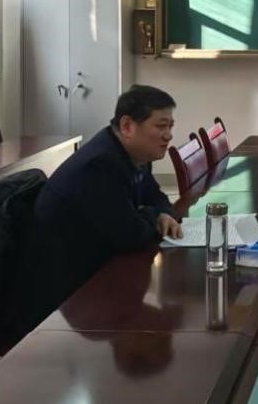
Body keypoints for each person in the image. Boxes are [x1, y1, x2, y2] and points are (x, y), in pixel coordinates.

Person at [13, 85, 184, 338]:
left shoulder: (133, 154)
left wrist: (161, 213)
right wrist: (154, 216)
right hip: (67, 293)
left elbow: (156, 197)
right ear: (127, 126)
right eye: (161, 126)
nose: (168, 135)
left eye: (170, 126)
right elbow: (131, 235)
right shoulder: (98, 166)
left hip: (100, 269)